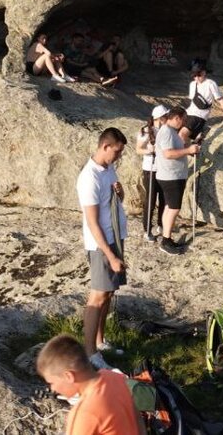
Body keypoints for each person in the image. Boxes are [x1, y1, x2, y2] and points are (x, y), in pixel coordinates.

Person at [77, 128, 129, 370]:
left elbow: (116, 202)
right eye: (117, 151)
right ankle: (89, 353)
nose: (118, 156)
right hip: (101, 244)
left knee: (108, 293)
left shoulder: (108, 169)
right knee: (97, 296)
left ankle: (99, 341)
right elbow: (92, 222)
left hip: (114, 239)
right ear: (105, 146)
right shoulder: (89, 178)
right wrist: (110, 255)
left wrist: (120, 194)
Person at [36, 334, 144, 435]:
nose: (52, 388)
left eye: (52, 382)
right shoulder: (114, 377)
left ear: (69, 376)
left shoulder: (84, 414)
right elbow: (138, 418)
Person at [155, 107, 200, 256]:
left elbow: (176, 149)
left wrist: (190, 147)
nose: (184, 123)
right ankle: (166, 241)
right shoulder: (167, 132)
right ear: (176, 118)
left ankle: (166, 238)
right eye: (183, 120)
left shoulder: (169, 131)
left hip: (170, 175)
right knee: (174, 208)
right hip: (171, 176)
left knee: (169, 207)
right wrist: (188, 151)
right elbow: (168, 154)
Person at [179, 62, 223, 144]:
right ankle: (196, 139)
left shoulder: (210, 84)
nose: (196, 78)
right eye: (194, 76)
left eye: (198, 75)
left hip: (199, 116)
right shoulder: (192, 84)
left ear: (204, 73)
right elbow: (191, 101)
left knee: (182, 134)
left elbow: (220, 99)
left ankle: (184, 151)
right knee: (179, 134)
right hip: (188, 113)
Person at [135, 106, 168, 242]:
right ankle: (147, 230)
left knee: (164, 199)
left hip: (163, 169)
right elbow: (138, 149)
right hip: (150, 170)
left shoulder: (166, 130)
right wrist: (149, 150)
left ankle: (161, 225)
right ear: (159, 118)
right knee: (151, 200)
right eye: (166, 116)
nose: (168, 118)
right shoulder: (146, 131)